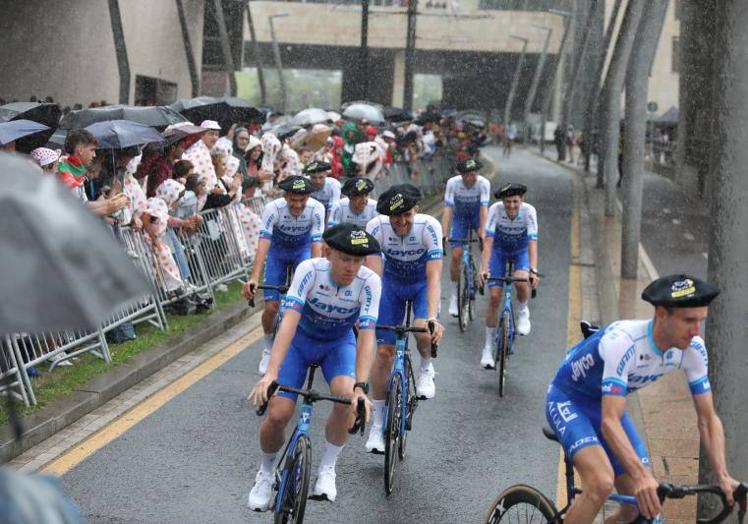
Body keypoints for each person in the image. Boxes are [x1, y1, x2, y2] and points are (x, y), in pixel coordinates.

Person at [546, 275, 740, 523]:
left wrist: (722, 476)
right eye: (689, 320)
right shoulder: (625, 343)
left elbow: (707, 419)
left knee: (641, 506)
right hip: (569, 400)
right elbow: (609, 422)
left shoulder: (694, 349)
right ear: (661, 314)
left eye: (700, 321)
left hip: (606, 406)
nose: (696, 330)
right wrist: (641, 476)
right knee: (601, 483)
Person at [246, 224, 381, 509]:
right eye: (346, 259)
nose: (351, 267)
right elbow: (288, 324)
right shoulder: (310, 269)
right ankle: (266, 472)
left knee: (346, 397)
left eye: (358, 261)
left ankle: (327, 468)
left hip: (337, 344)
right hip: (300, 341)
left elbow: (367, 335)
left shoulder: (369, 281)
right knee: (279, 412)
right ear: (329, 253)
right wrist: (271, 373)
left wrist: (360, 387)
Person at [364, 184, 445, 453]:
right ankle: (377, 424)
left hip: (421, 285)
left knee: (422, 329)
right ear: (387, 217)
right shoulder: (376, 228)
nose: (401, 222)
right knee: (384, 352)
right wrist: (367, 315)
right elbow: (374, 278)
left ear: (417, 210)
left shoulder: (429, 227)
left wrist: (432, 316)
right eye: (395, 217)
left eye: (407, 215)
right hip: (392, 286)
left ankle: (425, 367)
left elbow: (434, 277)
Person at [242, 175, 326, 374]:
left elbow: (316, 246)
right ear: (285, 196)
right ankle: (268, 346)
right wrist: (254, 277)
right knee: (271, 307)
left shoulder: (317, 209)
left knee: (303, 301)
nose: (297, 205)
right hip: (278, 254)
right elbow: (263, 243)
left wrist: (315, 277)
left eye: (302, 200)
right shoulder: (273, 208)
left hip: (302, 251)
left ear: (308, 197)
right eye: (293, 200)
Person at [479, 183, 539, 367]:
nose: (511, 206)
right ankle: (488, 347)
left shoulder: (529, 211)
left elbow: (532, 242)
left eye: (515, 202)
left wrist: (533, 270)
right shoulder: (495, 210)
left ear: (522, 200)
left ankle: (522, 310)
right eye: (507, 202)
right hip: (499, 251)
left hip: (520, 251)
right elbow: (488, 242)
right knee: (495, 297)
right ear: (502, 202)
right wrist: (483, 269)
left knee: (521, 280)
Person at [441, 158, 490, 317]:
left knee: (486, 242)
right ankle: (454, 296)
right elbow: (448, 209)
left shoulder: (483, 183)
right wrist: (444, 233)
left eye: (473, 174)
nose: (471, 178)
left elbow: (484, 210)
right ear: (460, 175)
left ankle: (483, 272)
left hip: (476, 217)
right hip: (460, 218)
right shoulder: (452, 183)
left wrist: (483, 232)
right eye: (467, 175)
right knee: (456, 256)